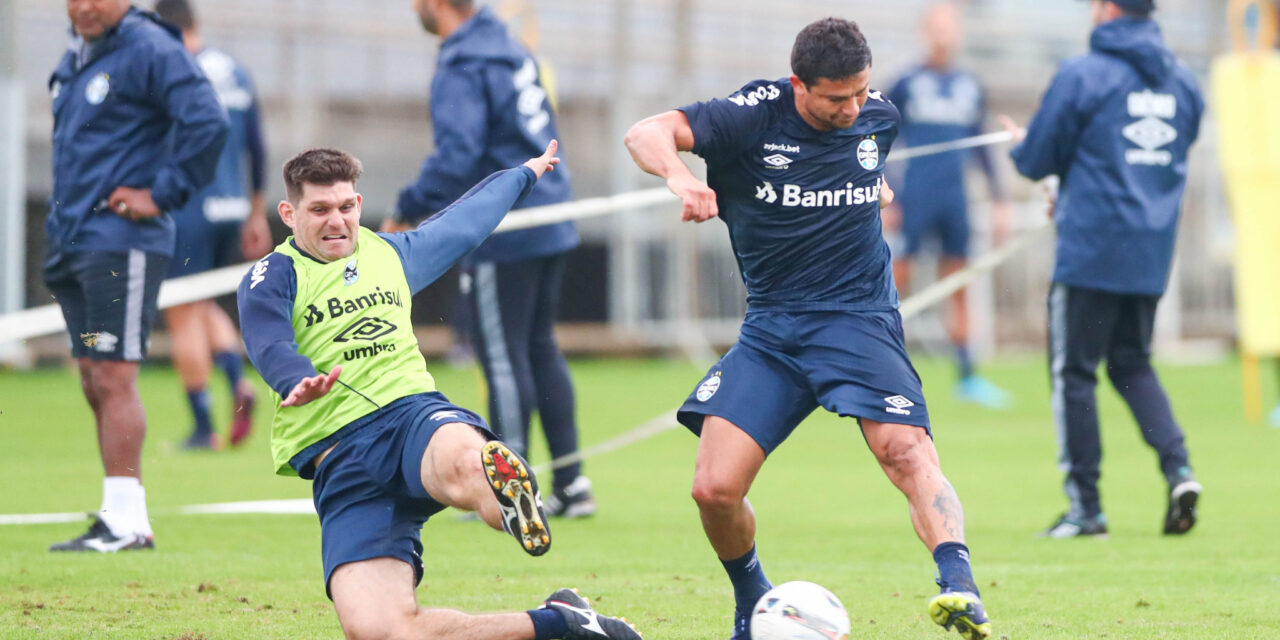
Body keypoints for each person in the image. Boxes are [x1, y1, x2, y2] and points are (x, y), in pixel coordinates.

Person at [625, 17, 991, 640]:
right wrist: (680, 176)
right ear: (799, 85)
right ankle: (753, 601)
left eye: (860, 92)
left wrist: (871, 189)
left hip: (859, 320)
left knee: (906, 451)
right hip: (773, 329)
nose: (852, 109)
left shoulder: (879, 117)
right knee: (713, 489)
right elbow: (645, 133)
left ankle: (960, 587)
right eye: (836, 98)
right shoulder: (749, 118)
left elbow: (861, 169)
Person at [236, 143, 641, 640]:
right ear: (288, 213)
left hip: (409, 419)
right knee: (381, 631)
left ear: (359, 205)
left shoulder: (391, 253)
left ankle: (504, 494)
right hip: (342, 463)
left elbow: (464, 223)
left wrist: (522, 175)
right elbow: (269, 339)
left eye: (344, 207)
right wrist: (294, 378)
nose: (336, 221)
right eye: (319, 210)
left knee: (464, 464)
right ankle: (563, 622)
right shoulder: (272, 275)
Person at [387, 0, 594, 518]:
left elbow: (457, 154)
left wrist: (409, 207)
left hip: (504, 222)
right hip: (551, 211)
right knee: (539, 347)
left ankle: (511, 490)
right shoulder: (510, 46)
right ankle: (572, 484)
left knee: (502, 354)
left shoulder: (464, 60)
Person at [1006, 0, 1204, 537]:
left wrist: (1025, 146)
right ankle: (1179, 469)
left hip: (1091, 251)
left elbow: (1036, 159)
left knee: (1074, 373)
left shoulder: (1082, 73)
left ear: (1106, 8)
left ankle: (1086, 508)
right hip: (1150, 250)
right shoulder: (1184, 82)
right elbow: (1170, 152)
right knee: (1132, 363)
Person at [45, 0, 228, 552]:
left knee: (113, 375)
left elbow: (209, 121)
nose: (83, 6)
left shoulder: (150, 47)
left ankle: (128, 524)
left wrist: (161, 194)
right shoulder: (77, 56)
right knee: (92, 375)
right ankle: (118, 515)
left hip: (119, 244)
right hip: (73, 241)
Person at [154, 0, 271, 450]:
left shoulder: (172, 72)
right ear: (195, 23)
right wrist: (256, 210)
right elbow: (257, 147)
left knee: (181, 311)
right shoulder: (235, 71)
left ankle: (204, 428)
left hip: (188, 209)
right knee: (202, 304)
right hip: (232, 206)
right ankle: (238, 382)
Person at [885, 1, 1013, 409]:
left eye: (949, 28)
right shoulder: (906, 83)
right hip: (914, 197)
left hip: (955, 198)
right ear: (925, 33)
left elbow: (982, 147)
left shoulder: (970, 84)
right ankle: (877, 366)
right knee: (894, 283)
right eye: (937, 28)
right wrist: (886, 193)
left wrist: (999, 199)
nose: (944, 37)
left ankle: (968, 376)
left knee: (959, 284)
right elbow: (879, 140)